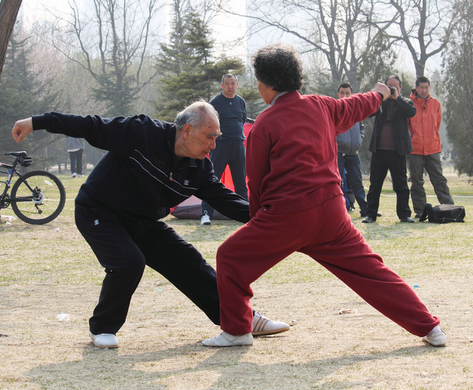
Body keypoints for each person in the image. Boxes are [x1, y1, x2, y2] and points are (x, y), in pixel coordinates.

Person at [202, 44, 446, 348]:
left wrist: (257, 218)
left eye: (259, 82)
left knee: (229, 257)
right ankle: (431, 328)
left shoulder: (265, 122)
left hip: (286, 216)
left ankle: (238, 331)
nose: (259, 87)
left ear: (268, 85)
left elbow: (257, 179)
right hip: (332, 215)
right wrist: (380, 93)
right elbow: (357, 105)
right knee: (372, 272)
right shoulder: (322, 105)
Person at [11, 102, 289, 349]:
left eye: (217, 138)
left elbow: (227, 201)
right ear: (188, 131)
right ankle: (103, 328)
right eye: (210, 136)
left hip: (143, 221)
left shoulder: (200, 168)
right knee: (129, 262)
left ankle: (241, 320)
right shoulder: (141, 132)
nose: (213, 145)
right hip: (98, 210)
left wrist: (270, 218)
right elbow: (89, 125)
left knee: (188, 261)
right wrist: (36, 122)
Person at [362, 75, 416, 224]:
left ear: (400, 87)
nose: (392, 89)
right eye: (389, 86)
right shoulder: (380, 102)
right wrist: (379, 96)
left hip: (397, 151)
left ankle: (404, 214)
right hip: (379, 150)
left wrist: (397, 98)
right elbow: (369, 113)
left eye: (395, 86)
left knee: (401, 185)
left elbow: (412, 112)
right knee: (375, 185)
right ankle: (370, 214)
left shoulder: (405, 102)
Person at [200, 74, 248, 225]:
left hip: (238, 145)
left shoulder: (241, 102)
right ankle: (206, 214)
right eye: (227, 84)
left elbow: (243, 120)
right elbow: (208, 121)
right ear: (222, 85)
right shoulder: (216, 102)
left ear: (237, 85)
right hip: (220, 145)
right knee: (212, 180)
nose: (230, 86)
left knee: (240, 183)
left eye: (232, 83)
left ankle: (246, 214)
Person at [408, 76, 454, 218]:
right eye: (421, 87)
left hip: (433, 148)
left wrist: (432, 137)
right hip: (415, 149)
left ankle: (449, 208)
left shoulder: (436, 103)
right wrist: (414, 138)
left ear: (429, 88)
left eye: (426, 87)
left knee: (439, 179)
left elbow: (437, 124)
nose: (424, 90)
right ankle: (420, 211)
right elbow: (407, 126)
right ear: (416, 88)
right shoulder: (409, 104)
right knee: (416, 181)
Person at [336, 83, 368, 217]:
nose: (345, 95)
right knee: (338, 181)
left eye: (347, 93)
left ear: (351, 94)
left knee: (357, 181)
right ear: (338, 95)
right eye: (342, 92)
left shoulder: (356, 110)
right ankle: (340, 209)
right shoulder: (334, 110)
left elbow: (362, 128)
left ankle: (365, 208)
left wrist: (359, 140)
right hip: (338, 152)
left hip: (353, 152)